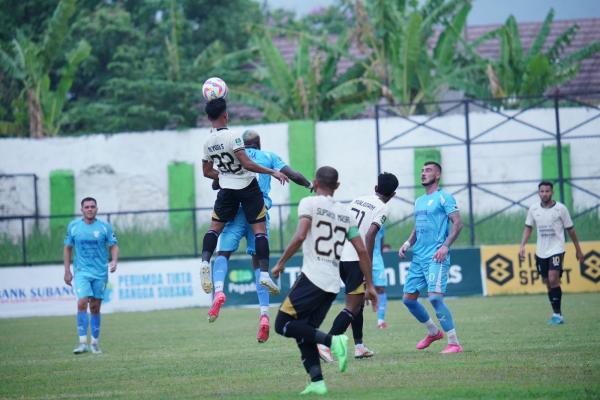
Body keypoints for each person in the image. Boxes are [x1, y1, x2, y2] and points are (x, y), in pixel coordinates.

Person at [271, 166, 379, 395]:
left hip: (312, 277)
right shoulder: (345, 214)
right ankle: (317, 381)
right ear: (337, 186)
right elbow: (362, 251)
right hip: (331, 283)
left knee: (282, 324)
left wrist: (280, 262)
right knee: (305, 330)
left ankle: (333, 342)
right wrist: (369, 285)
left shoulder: (309, 203)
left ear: (314, 182)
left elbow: (300, 235)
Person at [208, 129, 312, 344]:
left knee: (222, 252)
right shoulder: (269, 157)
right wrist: (310, 185)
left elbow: (216, 183)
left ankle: (218, 291)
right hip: (258, 212)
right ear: (259, 144)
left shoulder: (236, 155)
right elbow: (293, 175)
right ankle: (264, 315)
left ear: (243, 144)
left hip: (235, 211)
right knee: (259, 264)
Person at [199, 98, 288, 304]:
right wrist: (272, 171)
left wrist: (223, 176)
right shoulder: (234, 136)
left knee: (214, 229)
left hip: (227, 190)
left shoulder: (207, 142)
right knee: (259, 232)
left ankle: (205, 262)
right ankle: (264, 274)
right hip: (247, 188)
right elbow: (247, 163)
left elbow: (206, 172)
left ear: (208, 117)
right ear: (225, 115)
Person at [318, 172, 398, 362]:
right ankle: (324, 343)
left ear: (375, 188)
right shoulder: (383, 209)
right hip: (356, 258)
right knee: (352, 306)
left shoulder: (358, 200)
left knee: (358, 303)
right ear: (393, 195)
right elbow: (370, 236)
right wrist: (366, 265)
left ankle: (359, 347)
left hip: (340, 255)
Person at [398, 161, 464, 354]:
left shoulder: (444, 197)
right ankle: (433, 332)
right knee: (408, 300)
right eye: (422, 170)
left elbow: (458, 224)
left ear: (437, 175)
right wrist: (407, 243)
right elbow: (418, 227)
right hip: (418, 257)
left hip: (436, 256)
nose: (423, 173)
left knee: (435, 298)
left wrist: (445, 246)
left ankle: (454, 343)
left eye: (428, 171)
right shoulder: (419, 201)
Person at [518, 181, 584, 325]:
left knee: (553, 278)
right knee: (547, 281)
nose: (544, 194)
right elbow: (528, 227)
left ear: (552, 192)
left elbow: (570, 230)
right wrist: (522, 245)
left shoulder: (561, 209)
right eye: (542, 191)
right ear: (538, 193)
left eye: (547, 191)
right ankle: (556, 313)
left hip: (557, 249)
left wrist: (578, 250)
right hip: (541, 251)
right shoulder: (533, 209)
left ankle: (557, 315)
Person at [63, 197, 119, 354]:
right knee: (81, 302)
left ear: (97, 209)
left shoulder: (104, 227)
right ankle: (82, 343)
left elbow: (113, 246)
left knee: (95, 307)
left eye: (92, 206)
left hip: (100, 273)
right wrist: (67, 270)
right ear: (81, 210)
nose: (89, 209)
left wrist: (114, 261)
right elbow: (67, 248)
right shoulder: (74, 227)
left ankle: (94, 343)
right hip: (81, 271)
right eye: (86, 207)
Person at [374, 227, 389, 329]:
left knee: (381, 289)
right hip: (361, 257)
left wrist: (380, 259)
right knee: (358, 290)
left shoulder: (381, 223)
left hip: (377, 260)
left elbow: (381, 243)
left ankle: (380, 321)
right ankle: (350, 320)